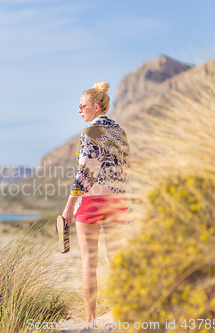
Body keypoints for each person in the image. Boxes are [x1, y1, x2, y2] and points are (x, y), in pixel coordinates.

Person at [61, 80, 130, 327]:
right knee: (117, 260)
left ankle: (90, 323)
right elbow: (125, 169)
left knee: (89, 262)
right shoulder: (120, 132)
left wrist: (69, 206)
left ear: (98, 107)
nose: (79, 110)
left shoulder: (89, 133)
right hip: (117, 201)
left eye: (83, 106)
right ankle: (122, 318)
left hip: (92, 202)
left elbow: (85, 174)